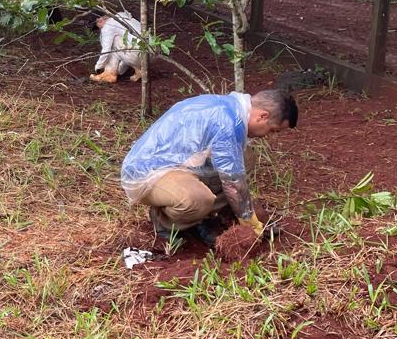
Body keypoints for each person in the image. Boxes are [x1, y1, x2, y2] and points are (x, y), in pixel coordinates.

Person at [121, 88, 298, 247]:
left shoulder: (231, 108)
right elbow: (232, 181)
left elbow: (231, 169)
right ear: (262, 116)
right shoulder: (228, 122)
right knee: (198, 200)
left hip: (182, 163)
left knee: (245, 157)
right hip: (148, 173)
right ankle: (164, 223)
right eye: (273, 130)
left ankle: (206, 216)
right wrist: (249, 221)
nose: (268, 136)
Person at [90, 11, 143, 84]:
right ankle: (139, 71)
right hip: (151, 49)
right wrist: (120, 70)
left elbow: (106, 50)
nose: (99, 29)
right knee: (120, 42)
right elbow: (122, 52)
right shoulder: (121, 16)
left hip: (139, 52)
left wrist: (98, 67)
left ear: (99, 20)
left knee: (112, 44)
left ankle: (109, 74)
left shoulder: (107, 26)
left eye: (97, 26)